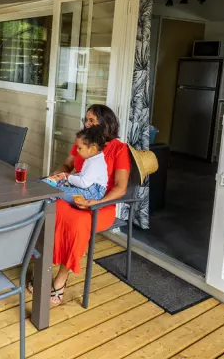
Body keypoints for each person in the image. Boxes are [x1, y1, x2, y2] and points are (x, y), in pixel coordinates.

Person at [34, 104, 131, 306]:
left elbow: (121, 188)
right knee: (48, 208)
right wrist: (55, 178)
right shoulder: (84, 142)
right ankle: (43, 266)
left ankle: (61, 277)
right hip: (76, 193)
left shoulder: (119, 149)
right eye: (85, 120)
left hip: (101, 204)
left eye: (91, 120)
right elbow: (68, 165)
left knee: (77, 222)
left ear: (106, 123)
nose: (87, 124)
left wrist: (97, 202)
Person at [47, 126, 108, 205]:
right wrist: (65, 176)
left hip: (91, 194)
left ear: (93, 149)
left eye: (80, 148)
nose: (77, 150)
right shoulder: (92, 159)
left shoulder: (95, 163)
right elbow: (83, 176)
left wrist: (68, 177)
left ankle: (46, 207)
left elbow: (83, 183)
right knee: (49, 183)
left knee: (54, 192)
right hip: (86, 188)